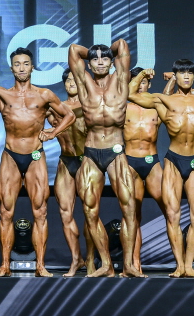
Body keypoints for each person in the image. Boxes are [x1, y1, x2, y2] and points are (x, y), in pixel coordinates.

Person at [0, 50, 75, 278]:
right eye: (17, 64)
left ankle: (40, 265)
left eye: (25, 64)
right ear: (11, 68)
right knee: (5, 212)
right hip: (10, 156)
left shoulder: (44, 94)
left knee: (40, 211)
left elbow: (69, 115)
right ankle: (4, 265)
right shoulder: (2, 94)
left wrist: (53, 133)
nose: (22, 68)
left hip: (35, 156)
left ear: (32, 67)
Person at [130, 62, 194, 278]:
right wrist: (142, 74)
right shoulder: (164, 100)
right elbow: (131, 94)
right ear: (174, 76)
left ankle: (188, 266)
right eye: (181, 73)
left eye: (189, 73)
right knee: (172, 215)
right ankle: (179, 265)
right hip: (173, 162)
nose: (186, 76)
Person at [68, 40, 142, 278]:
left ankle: (128, 264)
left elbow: (122, 45)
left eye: (105, 58)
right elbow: (73, 50)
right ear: (88, 64)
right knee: (89, 211)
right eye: (95, 59)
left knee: (129, 208)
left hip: (115, 151)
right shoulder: (83, 81)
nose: (100, 62)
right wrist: (94, 52)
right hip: (91, 151)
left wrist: (104, 51)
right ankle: (107, 264)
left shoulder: (120, 78)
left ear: (112, 62)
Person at [123, 67, 163, 274]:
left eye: (144, 82)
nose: (140, 86)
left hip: (152, 161)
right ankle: (134, 263)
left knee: (171, 210)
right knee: (132, 216)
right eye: (136, 82)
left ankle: (182, 264)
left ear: (150, 84)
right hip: (130, 162)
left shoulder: (157, 106)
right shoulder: (123, 108)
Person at [52, 67, 88, 277]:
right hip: (65, 161)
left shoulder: (89, 106)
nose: (71, 83)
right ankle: (76, 259)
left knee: (90, 213)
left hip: (86, 161)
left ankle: (92, 259)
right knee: (65, 213)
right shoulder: (56, 108)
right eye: (68, 80)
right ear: (64, 84)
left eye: (75, 79)